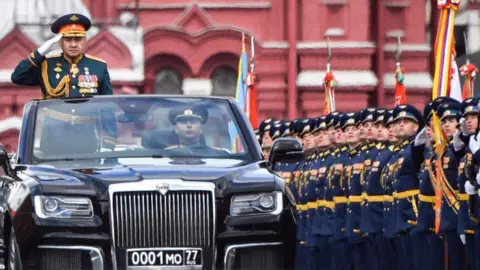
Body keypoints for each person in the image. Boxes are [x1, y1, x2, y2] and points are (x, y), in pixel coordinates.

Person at [11, 13, 112, 99]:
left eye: (78, 39)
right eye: (68, 39)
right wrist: (40, 52)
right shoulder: (47, 65)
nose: (73, 45)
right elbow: (17, 77)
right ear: (60, 42)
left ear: (85, 41)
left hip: (88, 122)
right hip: (55, 122)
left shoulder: (98, 66)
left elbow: (107, 104)